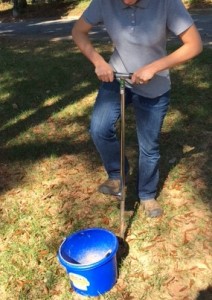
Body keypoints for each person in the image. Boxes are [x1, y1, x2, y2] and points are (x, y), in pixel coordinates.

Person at [72, 0, 202, 218]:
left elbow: (194, 44)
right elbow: (78, 31)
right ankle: (117, 175)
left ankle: (147, 195)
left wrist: (154, 67)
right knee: (99, 128)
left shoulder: (166, 3)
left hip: (155, 84)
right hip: (117, 77)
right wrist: (99, 62)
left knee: (148, 146)